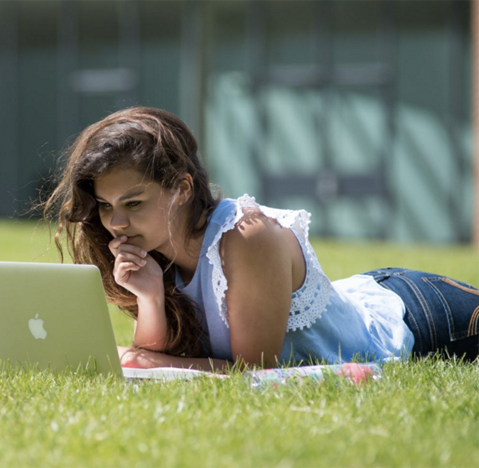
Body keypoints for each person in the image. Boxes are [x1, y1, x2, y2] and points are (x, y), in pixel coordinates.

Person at [42, 106, 479, 371]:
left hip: (421, 316)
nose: (115, 223)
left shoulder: (246, 237)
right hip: (366, 292)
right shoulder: (156, 252)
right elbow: (153, 352)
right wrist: (151, 299)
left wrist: (148, 361)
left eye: (133, 203)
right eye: (105, 205)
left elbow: (255, 372)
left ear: (182, 189)